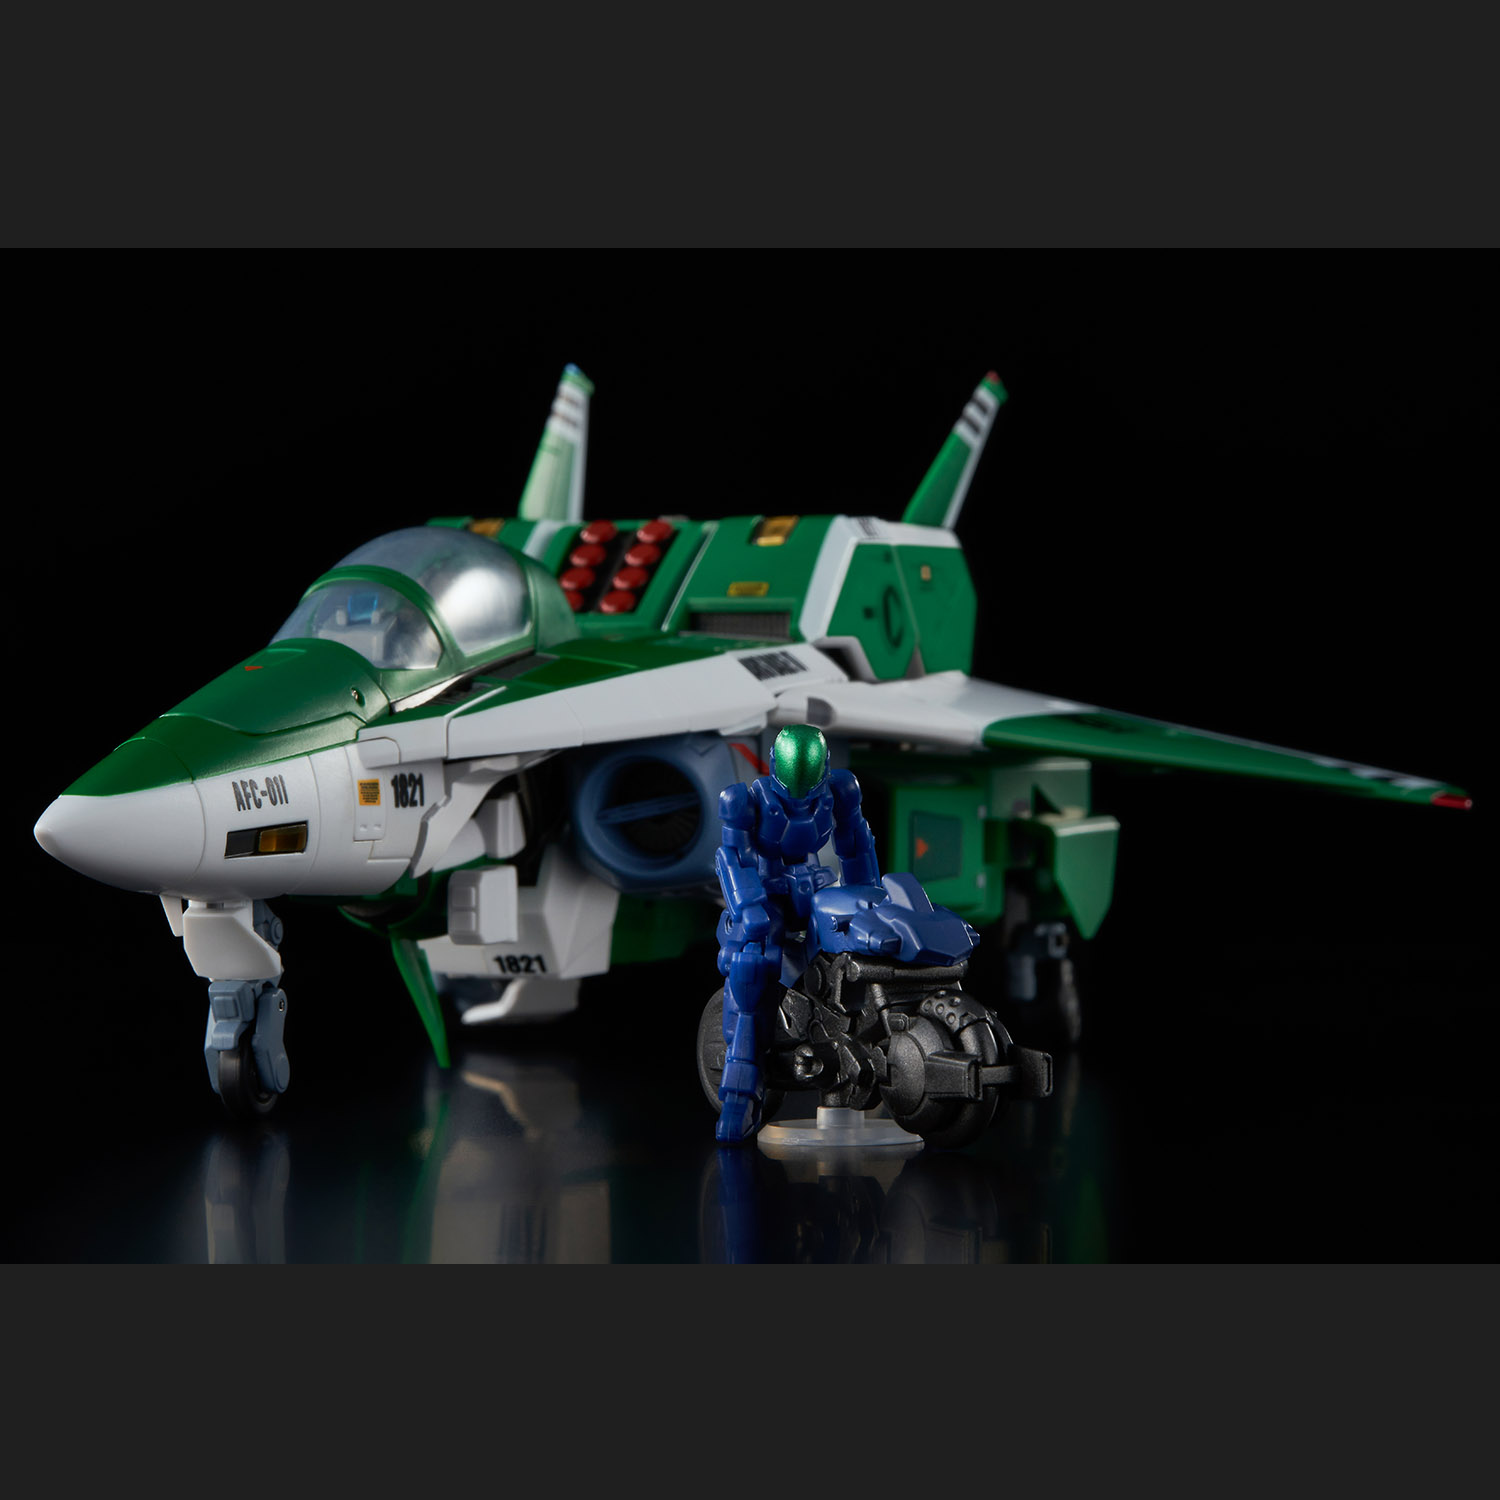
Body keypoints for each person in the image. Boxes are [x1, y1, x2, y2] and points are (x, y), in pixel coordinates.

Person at [713, 723, 881, 1143]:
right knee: (752, 964)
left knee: (854, 957)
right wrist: (748, 907)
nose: (801, 799)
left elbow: (856, 846)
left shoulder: (840, 791)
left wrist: (867, 900)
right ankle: (740, 1089)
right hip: (765, 895)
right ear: (774, 766)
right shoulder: (744, 802)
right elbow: (733, 859)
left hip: (816, 892)